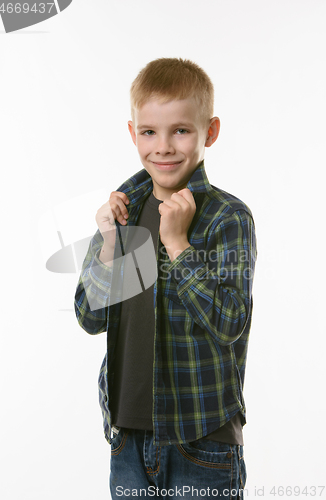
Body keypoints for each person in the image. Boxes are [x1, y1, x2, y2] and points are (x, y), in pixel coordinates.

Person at [74, 58, 257, 499]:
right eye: (150, 132)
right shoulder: (126, 211)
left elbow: (231, 322)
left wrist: (177, 245)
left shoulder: (226, 217)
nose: (164, 147)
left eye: (181, 130)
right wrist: (108, 245)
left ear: (209, 132)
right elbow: (88, 316)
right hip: (128, 439)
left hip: (201, 441)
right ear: (133, 133)